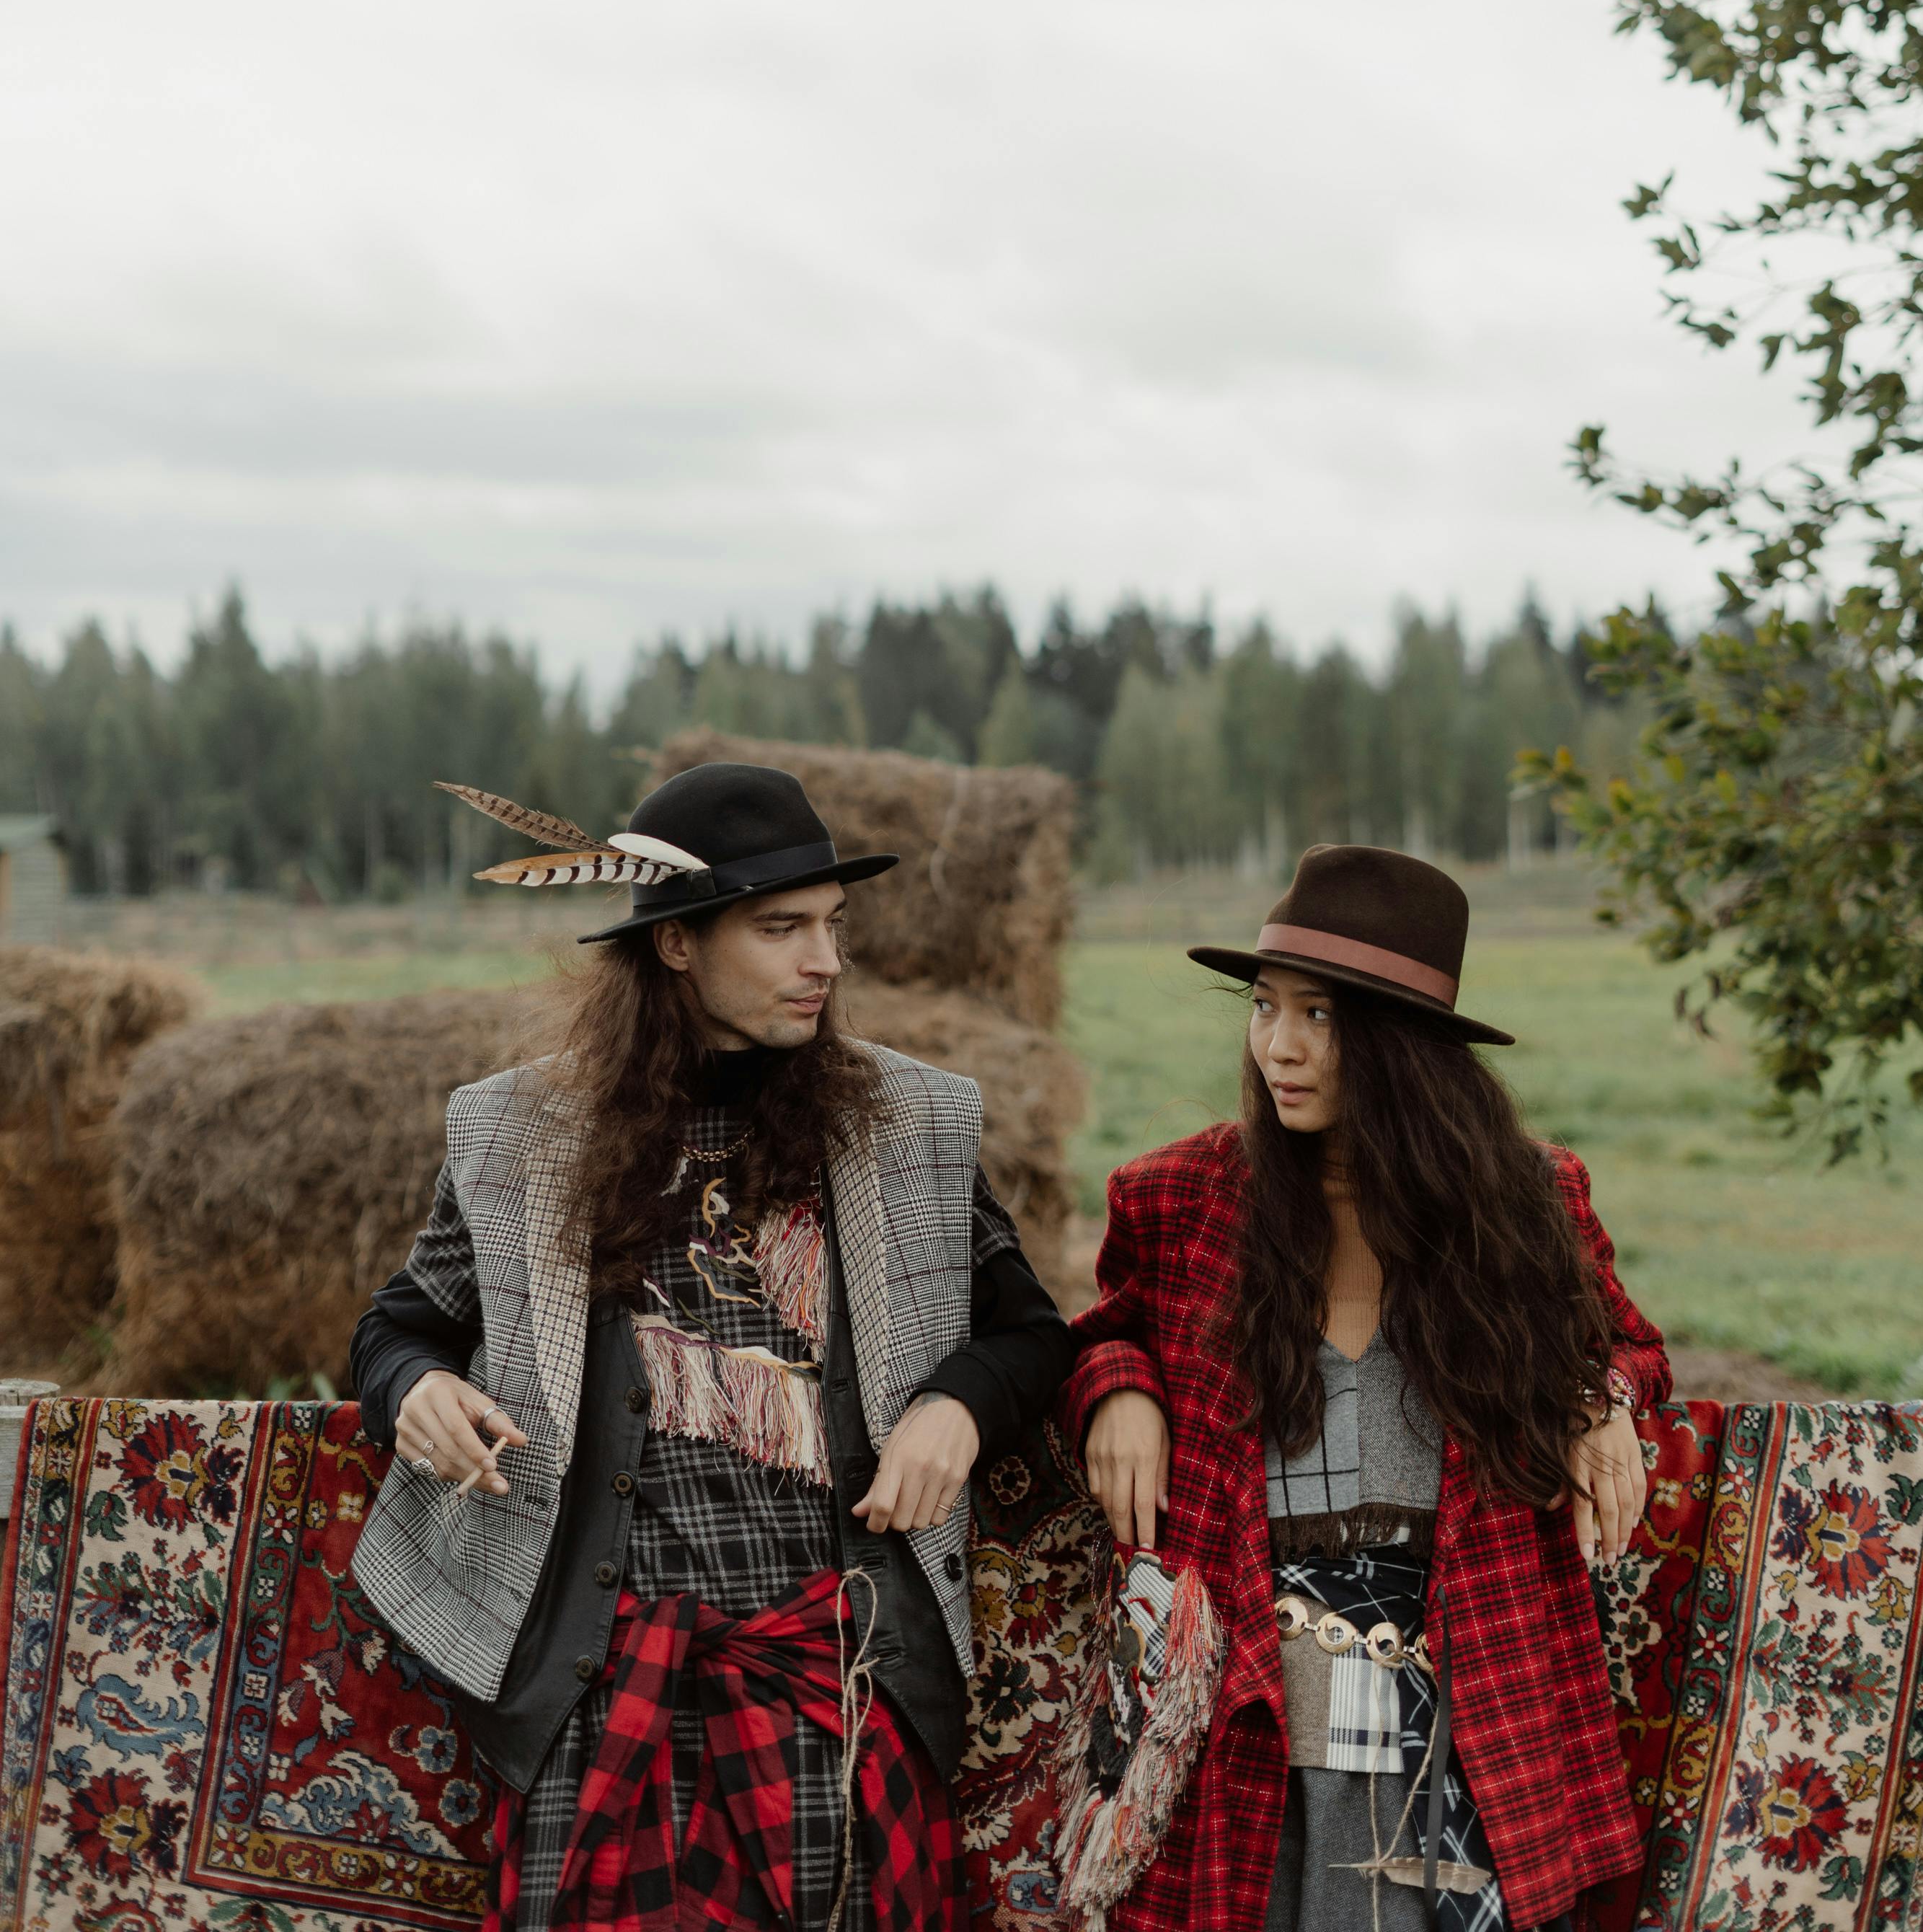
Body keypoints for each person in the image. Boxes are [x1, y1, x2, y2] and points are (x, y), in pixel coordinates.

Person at [348, 761, 1072, 1932]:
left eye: (832, 926)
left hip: (841, 1681)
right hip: (609, 1694)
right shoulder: (520, 1130)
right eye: (782, 929)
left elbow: (1030, 1332)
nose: (824, 961)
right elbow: (399, 1325)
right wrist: (415, 1386)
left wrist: (959, 1404)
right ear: (678, 945)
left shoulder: (912, 1121)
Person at [1063, 844, 1668, 1932]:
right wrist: (1120, 1391)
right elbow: (1105, 1332)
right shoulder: (1179, 1197)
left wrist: (1602, 1400)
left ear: (1402, 1048)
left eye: (1322, 1018)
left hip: (1471, 1715)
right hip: (1248, 1715)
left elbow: (1630, 1347)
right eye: (1264, 1007)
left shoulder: (1524, 1202)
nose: (1278, 1047)